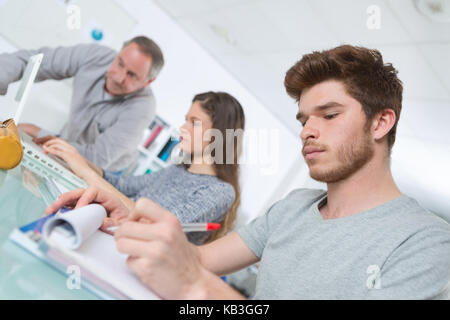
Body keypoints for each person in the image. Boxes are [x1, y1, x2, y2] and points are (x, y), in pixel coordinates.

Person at [47, 45, 450, 299]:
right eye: (304, 118)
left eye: (328, 115)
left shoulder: (425, 242)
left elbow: (195, 278)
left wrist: (196, 288)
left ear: (380, 124)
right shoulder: (293, 208)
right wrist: (129, 218)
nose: (307, 129)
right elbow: (197, 260)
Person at [46, 92, 245, 245]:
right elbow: (121, 185)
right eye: (186, 119)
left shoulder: (220, 192)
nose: (183, 127)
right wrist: (76, 158)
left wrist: (86, 172)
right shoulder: (177, 170)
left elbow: (153, 224)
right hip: (111, 236)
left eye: (194, 122)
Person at [0, 36, 164, 172]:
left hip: (106, 171)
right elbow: (35, 61)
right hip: (67, 141)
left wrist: (38, 132)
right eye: (120, 63)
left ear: (148, 82)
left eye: (132, 75)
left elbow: (95, 159)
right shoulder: (96, 55)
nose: (118, 77)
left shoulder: (143, 108)